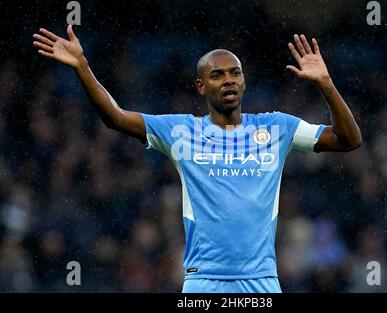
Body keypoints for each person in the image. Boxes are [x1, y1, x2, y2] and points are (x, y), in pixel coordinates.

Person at [33, 25, 362, 293]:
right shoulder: (180, 131)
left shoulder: (277, 127)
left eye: (235, 73)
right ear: (201, 86)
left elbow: (349, 140)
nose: (229, 80)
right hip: (203, 283)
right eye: (218, 75)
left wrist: (326, 85)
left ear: (244, 80)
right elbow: (116, 117)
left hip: (262, 283)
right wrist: (82, 67)